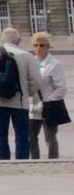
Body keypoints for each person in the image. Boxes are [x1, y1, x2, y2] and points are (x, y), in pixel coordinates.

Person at [0, 27, 37, 160]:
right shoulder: (26, 56)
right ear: (19, 40)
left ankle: (4, 161)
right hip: (20, 101)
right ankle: (22, 161)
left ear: (2, 40)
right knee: (22, 133)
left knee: (1, 134)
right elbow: (35, 80)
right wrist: (27, 93)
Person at [29, 31, 68, 159]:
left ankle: (53, 160)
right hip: (32, 107)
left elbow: (61, 88)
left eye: (42, 45)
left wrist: (49, 101)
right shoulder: (30, 63)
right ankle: (34, 160)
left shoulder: (55, 64)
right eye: (36, 45)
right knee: (31, 136)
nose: (38, 48)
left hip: (48, 107)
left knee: (50, 138)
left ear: (48, 47)